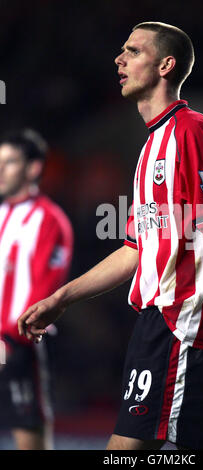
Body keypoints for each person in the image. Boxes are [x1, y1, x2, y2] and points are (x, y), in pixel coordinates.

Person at [18, 22, 203, 450]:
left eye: (132, 51)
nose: (119, 59)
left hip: (182, 327)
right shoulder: (150, 147)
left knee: (125, 450)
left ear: (166, 65)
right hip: (160, 325)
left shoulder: (192, 131)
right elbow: (136, 251)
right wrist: (60, 299)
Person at [0, 129, 73, 450]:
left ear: (33, 168)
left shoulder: (49, 220)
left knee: (30, 442)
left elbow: (44, 295)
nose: (0, 170)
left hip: (19, 348)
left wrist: (8, 340)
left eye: (10, 162)